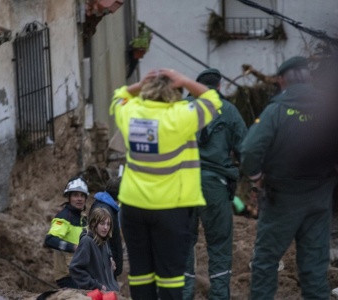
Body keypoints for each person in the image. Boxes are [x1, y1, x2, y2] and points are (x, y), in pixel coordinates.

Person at [109, 68, 223, 300]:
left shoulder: (131, 113)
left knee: (140, 273)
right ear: (176, 93)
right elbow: (212, 99)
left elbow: (118, 97)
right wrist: (185, 80)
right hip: (172, 208)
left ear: (146, 93)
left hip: (133, 206)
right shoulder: (182, 116)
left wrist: (139, 84)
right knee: (170, 275)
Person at [240, 56, 338, 300]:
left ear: (282, 79)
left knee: (266, 261)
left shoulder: (277, 110)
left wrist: (257, 176)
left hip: (282, 197)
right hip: (320, 196)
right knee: (315, 264)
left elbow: (250, 149)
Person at [182, 68, 248, 300]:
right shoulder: (229, 111)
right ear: (218, 87)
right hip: (216, 186)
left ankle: (184, 294)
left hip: (183, 185)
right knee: (219, 244)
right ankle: (219, 296)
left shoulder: (181, 109)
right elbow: (245, 150)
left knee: (183, 243)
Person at [44, 176, 89, 289]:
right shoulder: (64, 217)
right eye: (75, 195)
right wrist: (73, 247)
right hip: (67, 276)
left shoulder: (83, 218)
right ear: (68, 197)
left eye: (82, 195)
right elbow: (50, 240)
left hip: (82, 273)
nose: (79, 199)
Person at [69, 207, 120, 292]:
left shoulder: (104, 240)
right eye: (102, 223)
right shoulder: (87, 241)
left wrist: (110, 259)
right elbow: (75, 268)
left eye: (108, 224)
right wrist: (96, 285)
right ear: (93, 223)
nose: (105, 228)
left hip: (111, 292)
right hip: (96, 294)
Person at [89, 176, 123, 278]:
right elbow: (101, 240)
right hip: (105, 269)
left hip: (107, 266)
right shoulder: (105, 210)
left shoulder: (106, 206)